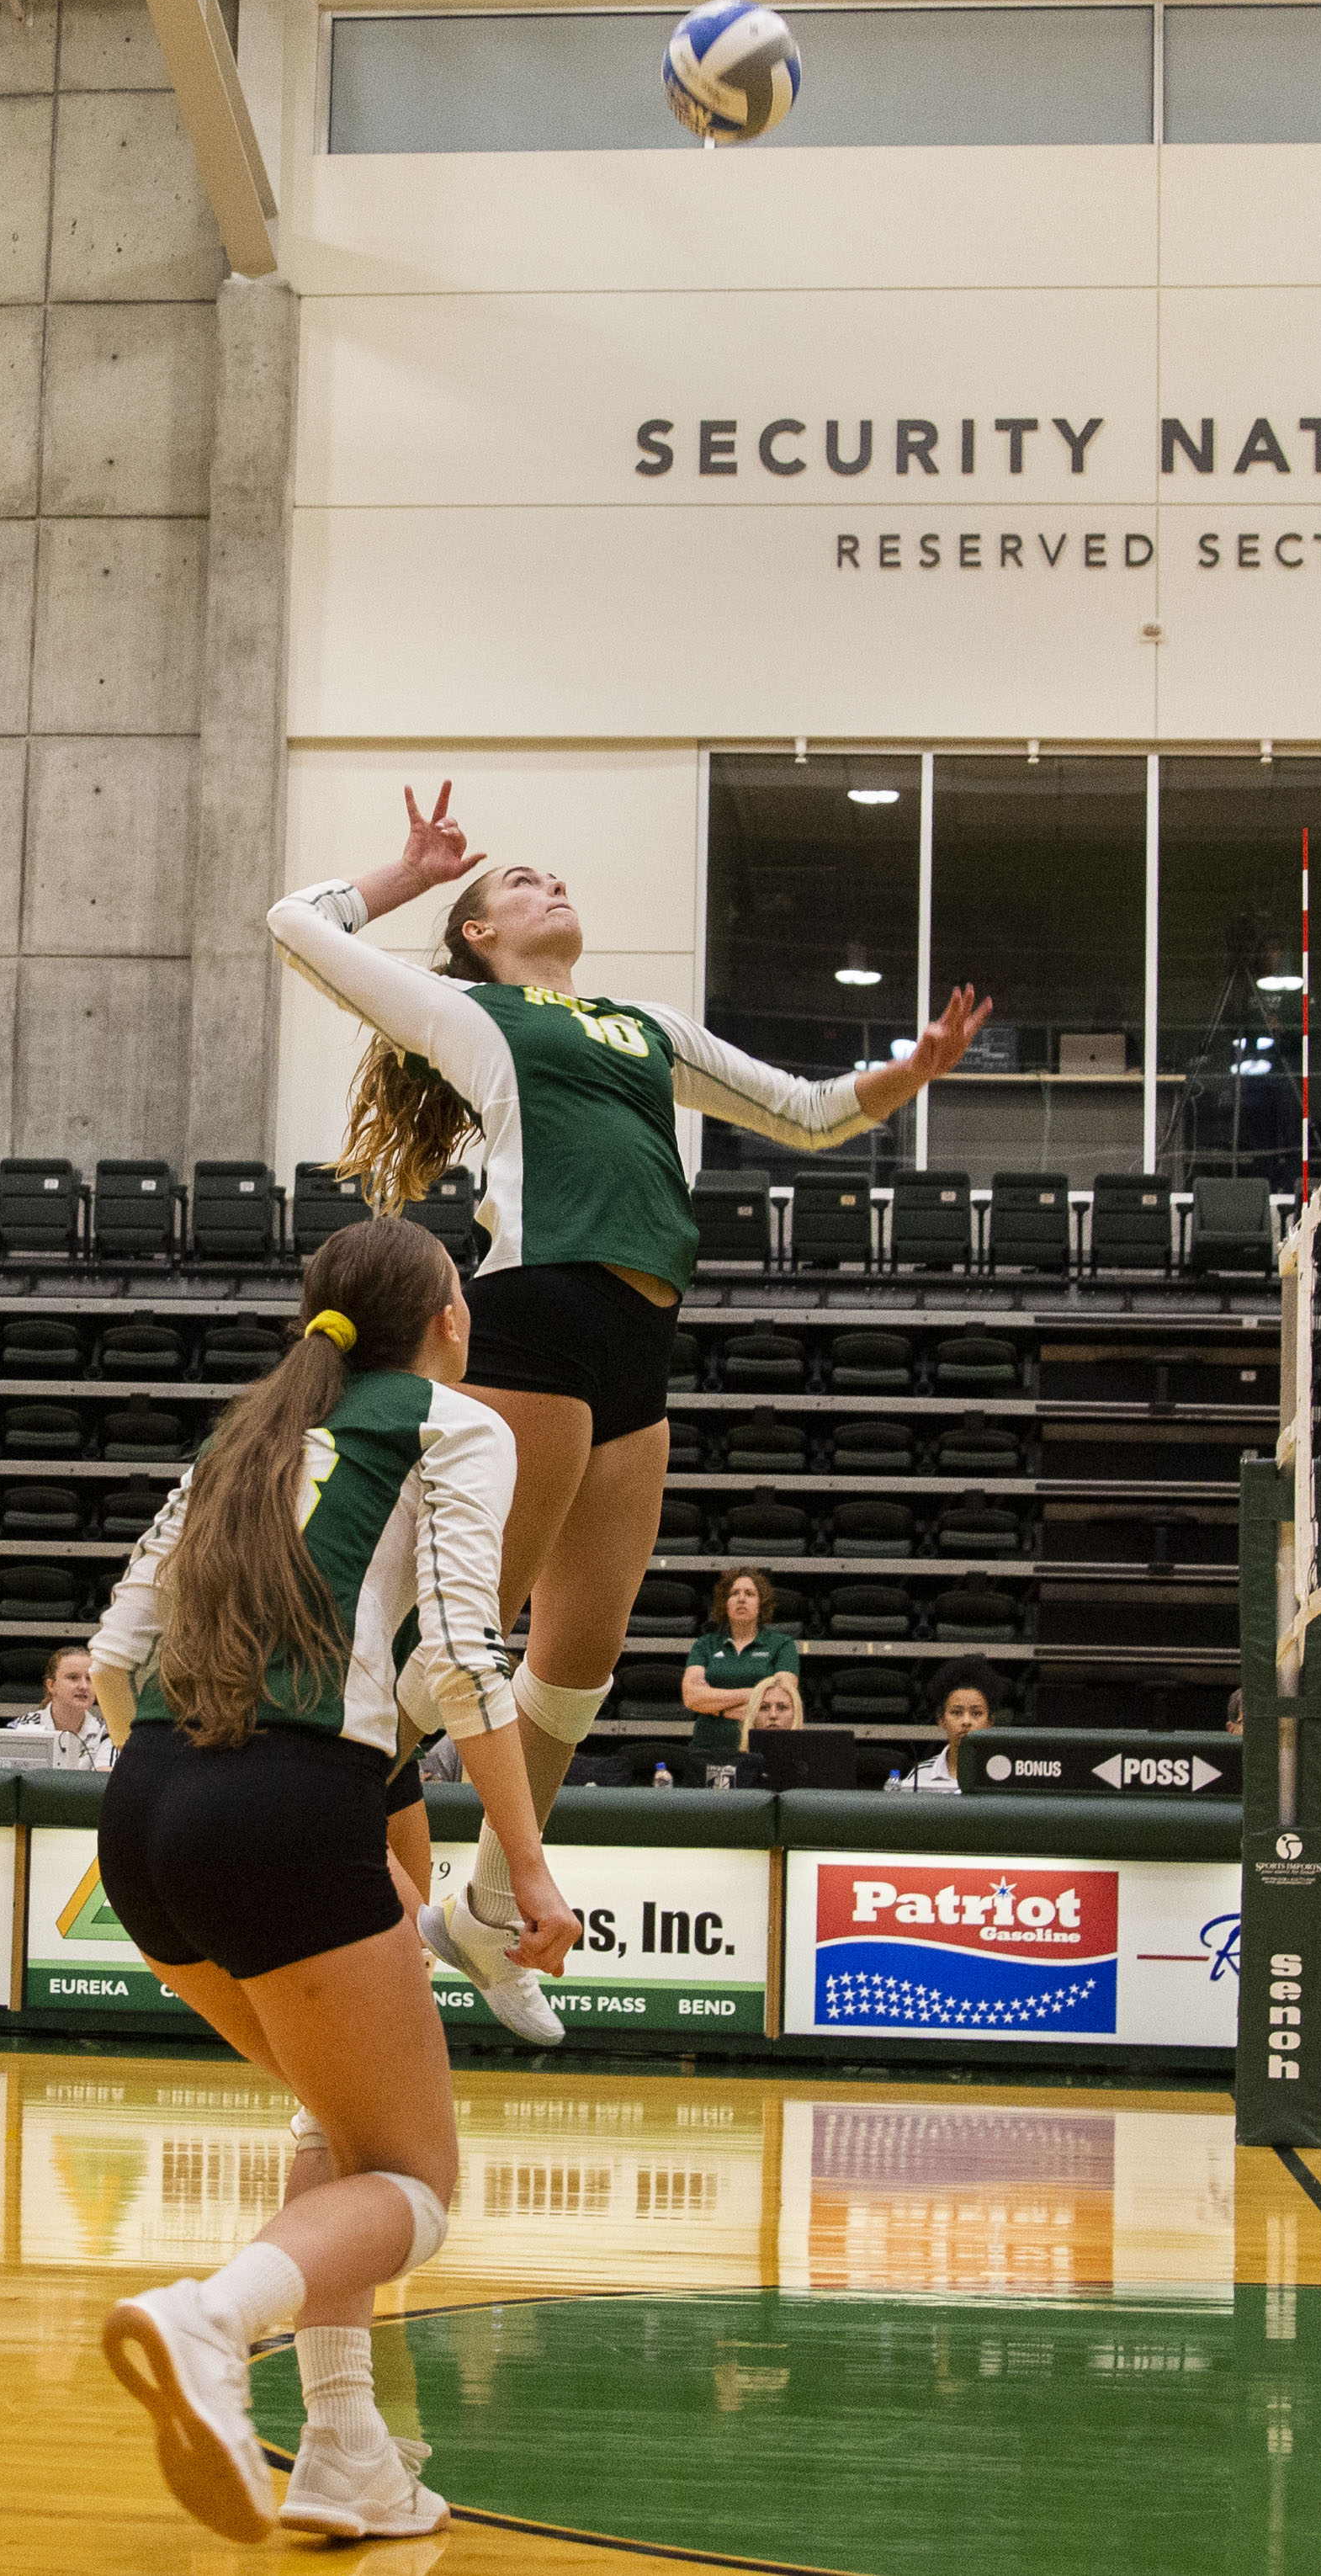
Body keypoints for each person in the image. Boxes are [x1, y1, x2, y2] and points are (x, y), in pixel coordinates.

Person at [273, 782, 988, 2044]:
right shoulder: (468, 1010)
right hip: (536, 1310)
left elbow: (810, 1113)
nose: (549, 886)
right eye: (519, 882)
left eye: (551, 875)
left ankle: (488, 1916)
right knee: (463, 1643)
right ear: (480, 933)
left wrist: (910, 1073)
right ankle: (326, 1800)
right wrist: (406, 870)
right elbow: (296, 919)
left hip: (641, 1337)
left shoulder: (643, 1023)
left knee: (578, 1668)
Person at [84, 1217, 571, 2545]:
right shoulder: (455, 1422)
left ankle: (345, 2448)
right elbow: (471, 1657)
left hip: (148, 1809)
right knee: (413, 2184)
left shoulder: (241, 1432)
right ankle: (210, 2321)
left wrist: (184, 1788)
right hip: (291, 1803)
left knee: (339, 2124)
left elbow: (114, 1653)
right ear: (445, 1320)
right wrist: (522, 1865)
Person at [681, 1568, 799, 1755]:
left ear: (761, 1604)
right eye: (735, 1593)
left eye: (750, 1594)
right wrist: (757, 1695)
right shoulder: (705, 1645)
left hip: (762, 1749)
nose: (741, 1599)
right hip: (708, 1747)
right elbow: (692, 1697)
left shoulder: (782, 1644)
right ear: (725, 1603)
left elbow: (782, 1700)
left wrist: (717, 1709)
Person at [889, 1661, 1005, 1792]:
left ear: (990, 1721)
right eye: (956, 1712)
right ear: (941, 1719)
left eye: (976, 1713)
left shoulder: (1005, 1775)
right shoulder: (920, 1776)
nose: (966, 1721)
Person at [11, 1644, 119, 1770]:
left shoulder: (107, 1732)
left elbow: (103, 1782)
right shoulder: (24, 1726)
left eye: (90, 1678)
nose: (83, 1686)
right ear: (51, 1685)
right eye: (73, 1678)